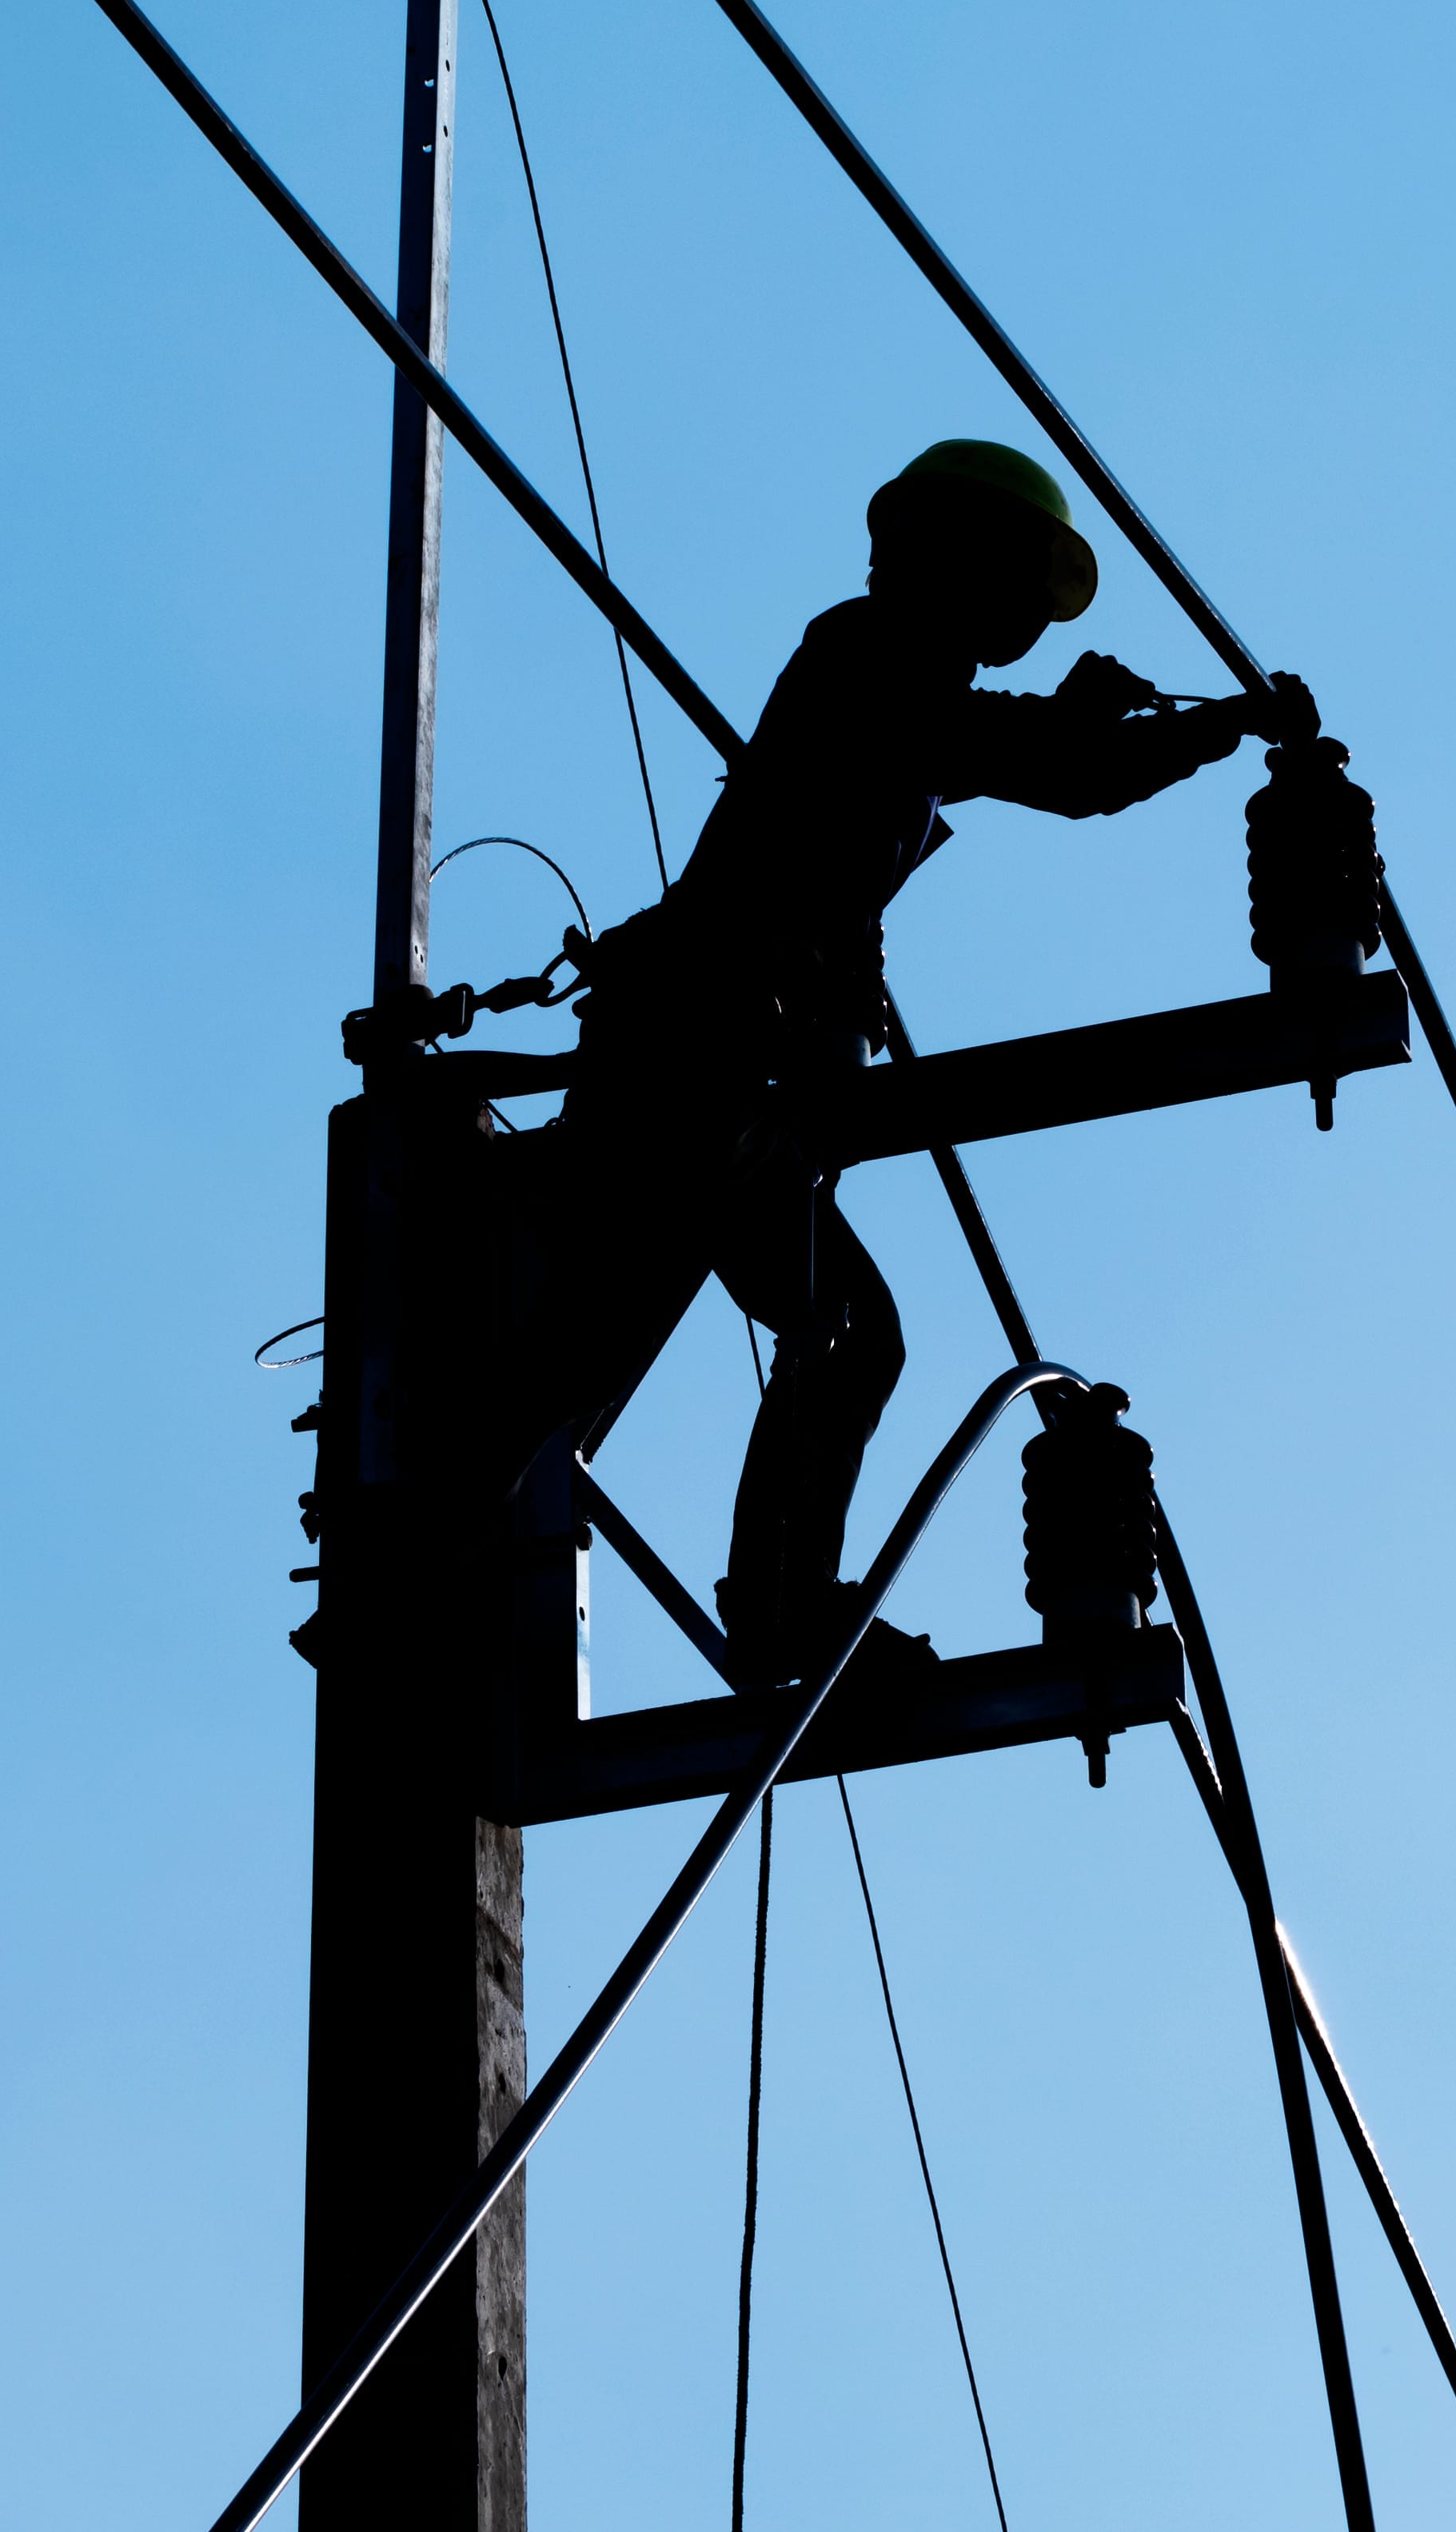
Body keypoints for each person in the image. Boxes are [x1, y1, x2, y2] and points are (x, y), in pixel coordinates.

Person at [527, 438, 1269, 1678]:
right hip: (702, 1057)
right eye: (1030, 572)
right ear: (961, 553)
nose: (1036, 605)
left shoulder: (881, 693)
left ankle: (753, 1599)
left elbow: (1008, 756)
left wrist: (1117, 730)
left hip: (699, 1058)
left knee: (778, 1335)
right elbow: (1050, 769)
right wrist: (1218, 729)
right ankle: (767, 1603)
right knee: (837, 1334)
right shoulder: (873, 653)